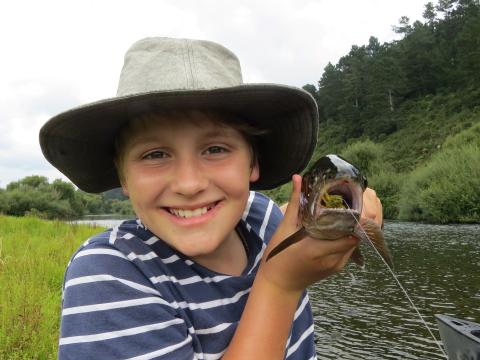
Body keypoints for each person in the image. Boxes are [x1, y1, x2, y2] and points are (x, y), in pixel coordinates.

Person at [39, 37, 383, 359]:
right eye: (155, 154)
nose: (189, 184)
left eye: (215, 149)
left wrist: (343, 208)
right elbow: (280, 265)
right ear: (122, 176)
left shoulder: (260, 218)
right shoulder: (108, 275)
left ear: (253, 163)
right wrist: (280, 283)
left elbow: (280, 214)